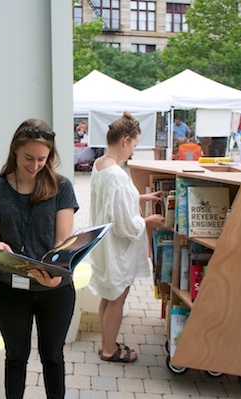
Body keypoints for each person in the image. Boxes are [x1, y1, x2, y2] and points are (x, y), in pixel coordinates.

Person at [0, 118, 79, 398]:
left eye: (42, 159)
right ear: (14, 150)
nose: (35, 165)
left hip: (55, 289)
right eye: (28, 157)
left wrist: (55, 275)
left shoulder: (62, 187)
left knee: (53, 357)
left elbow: (63, 242)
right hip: (10, 288)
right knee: (15, 357)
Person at [89, 111, 164, 363]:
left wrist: (141, 198)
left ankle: (105, 343)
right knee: (117, 298)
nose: (133, 151)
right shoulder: (118, 176)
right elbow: (124, 225)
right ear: (125, 141)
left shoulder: (100, 164)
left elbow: (112, 202)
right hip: (117, 247)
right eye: (134, 145)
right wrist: (148, 221)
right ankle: (110, 349)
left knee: (108, 295)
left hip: (104, 244)